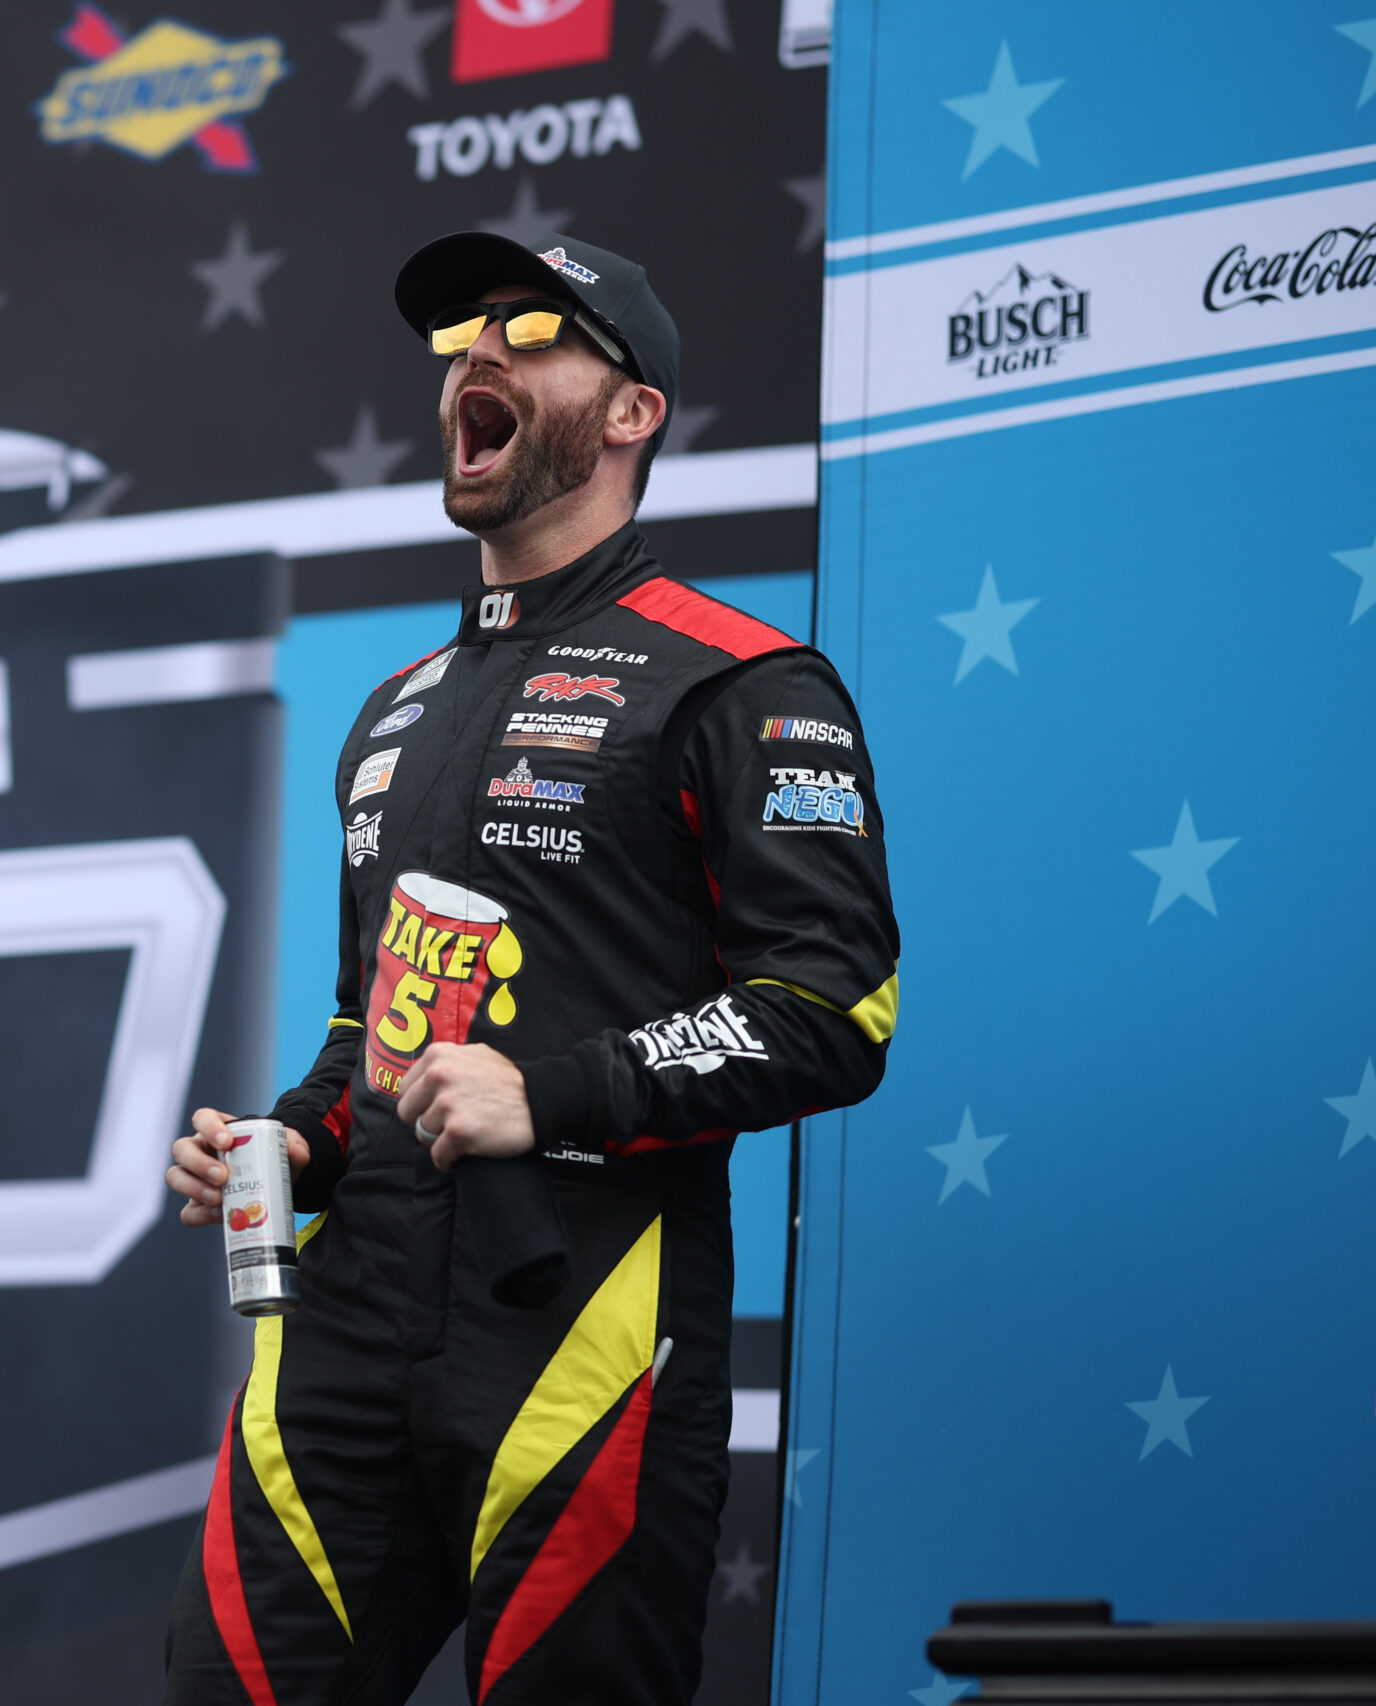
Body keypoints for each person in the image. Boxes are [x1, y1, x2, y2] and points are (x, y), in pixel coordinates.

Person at [160, 232, 901, 1706]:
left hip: (584, 1324)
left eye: (538, 327)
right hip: (343, 1331)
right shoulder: (391, 709)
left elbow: (837, 1005)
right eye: (460, 338)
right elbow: (363, 1032)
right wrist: (287, 1139)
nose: (477, 357)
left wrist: (551, 1092)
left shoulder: (742, 679)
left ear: (631, 413)